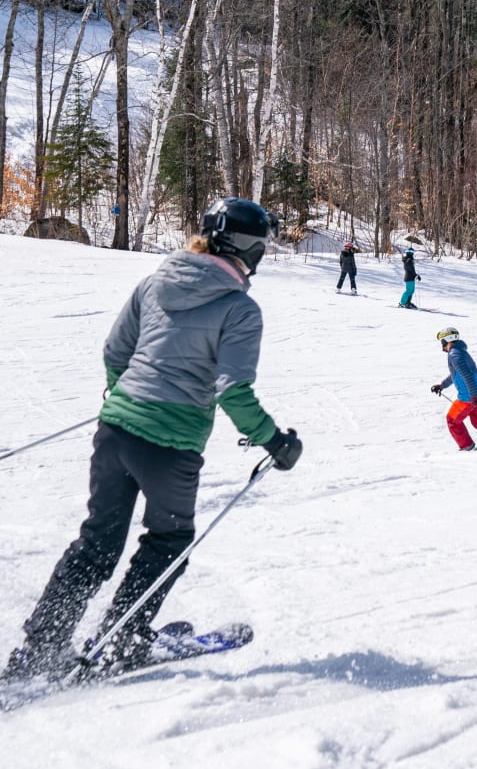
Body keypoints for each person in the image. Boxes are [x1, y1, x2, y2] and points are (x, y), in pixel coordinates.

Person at [3, 197, 303, 680]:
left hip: (115, 432)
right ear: (247, 248)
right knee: (168, 539)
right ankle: (123, 638)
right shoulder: (239, 309)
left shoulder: (156, 280)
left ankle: (42, 646)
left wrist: (127, 397)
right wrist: (274, 442)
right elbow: (232, 391)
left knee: (98, 543)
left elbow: (115, 352)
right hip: (170, 447)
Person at [430, 327, 477, 452]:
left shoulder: (454, 355)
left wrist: (473, 396)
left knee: (452, 420)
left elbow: (467, 376)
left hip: (468, 397)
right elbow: (456, 374)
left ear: (447, 340)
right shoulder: (460, 352)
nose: (441, 345)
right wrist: (442, 385)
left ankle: (467, 447)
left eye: (442, 341)